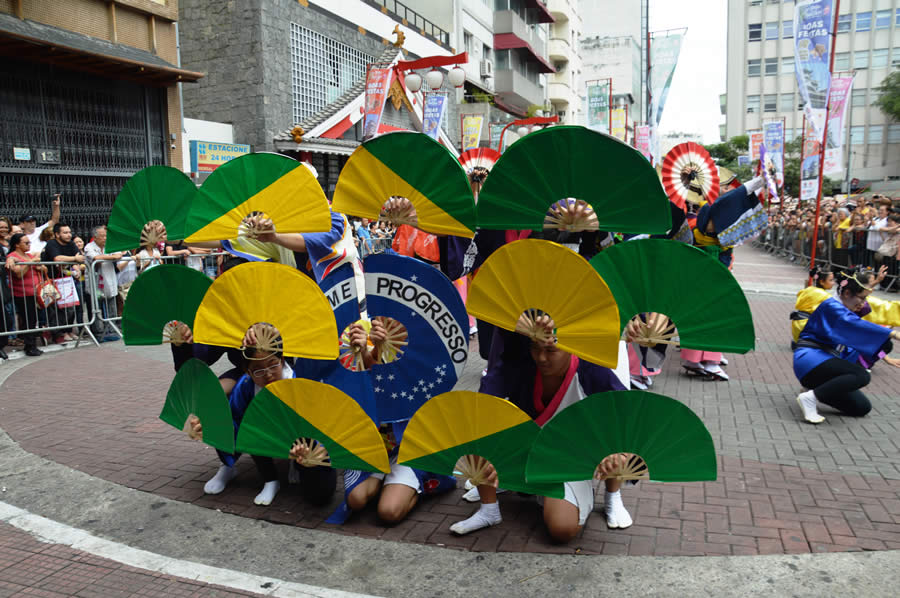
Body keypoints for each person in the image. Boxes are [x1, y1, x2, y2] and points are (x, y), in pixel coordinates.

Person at [451, 315, 634, 542]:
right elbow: (486, 400)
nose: (542, 358)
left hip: (569, 456)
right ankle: (489, 510)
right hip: (528, 448)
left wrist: (621, 454)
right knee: (480, 428)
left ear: (571, 347)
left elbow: (623, 414)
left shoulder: (591, 367)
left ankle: (612, 496)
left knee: (562, 529)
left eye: (551, 350)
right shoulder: (520, 363)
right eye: (535, 348)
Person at [188, 325, 336, 506]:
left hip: (298, 439)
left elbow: (319, 430)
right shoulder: (245, 387)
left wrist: (311, 459)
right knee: (227, 420)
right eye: (258, 370)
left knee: (318, 492)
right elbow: (237, 424)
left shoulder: (300, 383)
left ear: (282, 360)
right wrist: (212, 428)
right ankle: (269, 479)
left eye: (273, 364)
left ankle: (297, 466)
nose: (267, 374)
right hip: (264, 434)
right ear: (248, 372)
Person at [329, 319, 457, 525]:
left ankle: (413, 487)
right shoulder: (361, 335)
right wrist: (364, 353)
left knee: (389, 512)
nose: (382, 322)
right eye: (378, 318)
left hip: (409, 446)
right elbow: (360, 385)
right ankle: (386, 483)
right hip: (374, 446)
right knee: (356, 500)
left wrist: (384, 352)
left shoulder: (419, 348)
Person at [793, 272, 900, 424]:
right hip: (810, 359)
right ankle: (810, 398)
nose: (863, 304)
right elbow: (856, 326)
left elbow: (862, 338)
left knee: (861, 407)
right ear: (847, 293)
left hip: (827, 361)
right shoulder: (831, 306)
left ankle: (814, 390)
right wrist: (893, 333)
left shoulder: (848, 307)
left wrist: (885, 357)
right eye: (861, 298)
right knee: (861, 375)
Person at [41, 223, 85, 343]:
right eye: (65, 232)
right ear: (57, 234)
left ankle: (63, 330)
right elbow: (57, 258)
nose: (68, 235)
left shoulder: (71, 244)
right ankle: (53, 332)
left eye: (69, 232)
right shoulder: (51, 244)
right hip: (52, 281)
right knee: (55, 309)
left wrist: (76, 267)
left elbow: (79, 259)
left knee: (70, 308)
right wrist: (74, 259)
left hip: (68, 281)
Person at [4, 233, 47, 356]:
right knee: (28, 320)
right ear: (17, 244)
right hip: (22, 294)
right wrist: (31, 262)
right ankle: (29, 346)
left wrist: (40, 267)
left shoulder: (28, 255)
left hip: (36, 292)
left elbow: (45, 269)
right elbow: (18, 273)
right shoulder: (12, 256)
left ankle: (32, 344)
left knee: (33, 319)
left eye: (29, 243)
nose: (29, 245)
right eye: (26, 243)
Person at [84, 225, 124, 339]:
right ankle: (98, 333)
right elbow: (95, 258)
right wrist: (111, 257)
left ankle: (111, 330)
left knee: (112, 307)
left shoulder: (110, 246)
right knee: (96, 308)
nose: (105, 238)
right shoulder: (89, 247)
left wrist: (110, 256)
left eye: (106, 236)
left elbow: (119, 255)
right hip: (96, 284)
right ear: (95, 237)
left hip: (110, 281)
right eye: (102, 236)